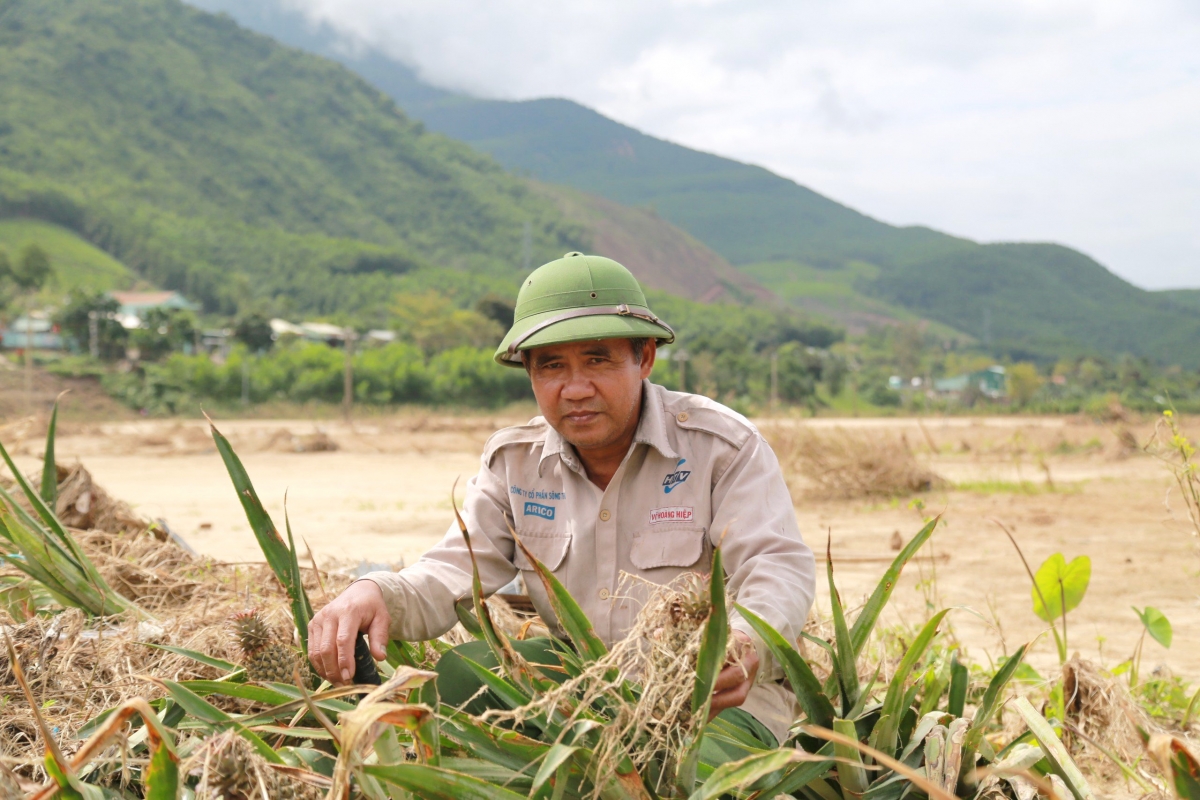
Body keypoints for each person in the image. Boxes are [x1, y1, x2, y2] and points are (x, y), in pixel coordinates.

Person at [308, 252, 816, 749]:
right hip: (581, 688)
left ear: (644, 358)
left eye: (597, 359)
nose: (575, 389)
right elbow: (451, 573)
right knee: (462, 674)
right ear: (529, 373)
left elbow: (776, 567)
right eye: (552, 366)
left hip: (707, 699)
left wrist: (746, 644)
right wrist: (374, 592)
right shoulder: (515, 461)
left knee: (675, 772)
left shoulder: (720, 446)